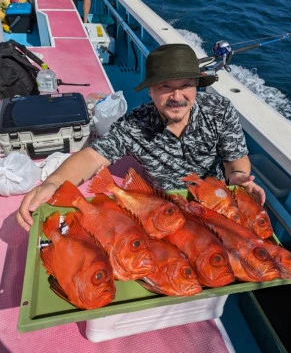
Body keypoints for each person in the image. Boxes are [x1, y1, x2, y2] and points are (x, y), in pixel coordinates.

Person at [16, 43, 265, 232]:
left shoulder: (220, 110)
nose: (177, 97)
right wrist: (52, 183)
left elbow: (236, 161)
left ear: (196, 86)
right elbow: (92, 157)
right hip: (164, 212)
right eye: (165, 86)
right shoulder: (135, 124)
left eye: (185, 85)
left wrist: (239, 177)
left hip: (217, 203)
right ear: (150, 90)